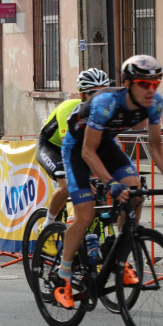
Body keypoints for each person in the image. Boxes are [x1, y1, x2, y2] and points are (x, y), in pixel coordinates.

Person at [52, 55, 163, 309]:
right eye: (143, 83)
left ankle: (117, 254)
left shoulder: (154, 102)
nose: (151, 90)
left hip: (105, 144)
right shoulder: (105, 102)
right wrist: (110, 182)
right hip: (78, 147)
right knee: (85, 214)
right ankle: (64, 274)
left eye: (155, 84)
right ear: (127, 83)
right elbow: (87, 152)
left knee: (136, 190)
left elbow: (156, 145)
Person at [35, 69, 110, 233]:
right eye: (93, 93)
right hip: (52, 146)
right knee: (68, 184)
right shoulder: (68, 109)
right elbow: (68, 148)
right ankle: (47, 227)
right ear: (82, 95)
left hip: (80, 149)